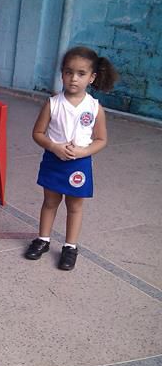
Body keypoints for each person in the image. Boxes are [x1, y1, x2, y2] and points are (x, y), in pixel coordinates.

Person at [25, 46, 118, 270]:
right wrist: (54, 147)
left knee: (74, 206)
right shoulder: (53, 103)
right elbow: (37, 133)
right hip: (53, 160)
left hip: (79, 164)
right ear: (62, 74)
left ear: (92, 77)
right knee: (50, 202)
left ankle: (70, 247)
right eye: (69, 72)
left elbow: (101, 139)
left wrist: (82, 152)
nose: (74, 78)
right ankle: (43, 240)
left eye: (81, 73)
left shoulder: (94, 108)